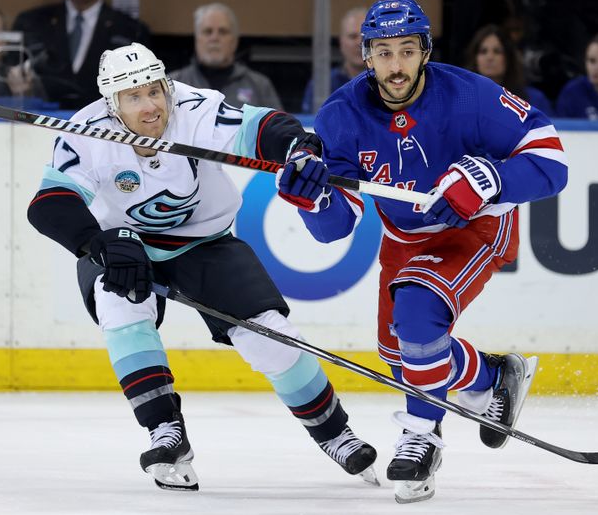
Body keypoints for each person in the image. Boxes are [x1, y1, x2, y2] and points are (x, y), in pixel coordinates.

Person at [26, 42, 377, 490]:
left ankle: (335, 433)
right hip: (123, 244)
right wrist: (97, 243)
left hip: (204, 241)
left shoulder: (194, 107)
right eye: (133, 97)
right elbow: (49, 204)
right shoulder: (85, 131)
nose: (151, 106)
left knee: (270, 336)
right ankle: (164, 431)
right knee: (120, 307)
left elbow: (261, 127)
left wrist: (297, 148)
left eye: (155, 91)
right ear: (112, 105)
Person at [276, 0, 568, 504]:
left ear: (425, 51)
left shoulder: (470, 96)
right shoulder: (341, 116)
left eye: (407, 51)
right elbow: (334, 228)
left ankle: (421, 438)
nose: (396, 66)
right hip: (405, 239)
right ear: (366, 56)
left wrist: (491, 178)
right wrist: (314, 198)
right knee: (399, 354)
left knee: (416, 313)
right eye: (383, 53)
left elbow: (551, 160)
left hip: (475, 229)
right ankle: (492, 376)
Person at [12, 0, 150, 109]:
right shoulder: (31, 23)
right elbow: (5, 70)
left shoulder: (132, 30)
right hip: (38, 122)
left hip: (104, 124)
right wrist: (15, 79)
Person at [170, 3, 282, 109]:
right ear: (197, 39)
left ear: (234, 40)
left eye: (223, 32)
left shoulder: (259, 86)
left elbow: (280, 128)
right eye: (208, 32)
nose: (214, 38)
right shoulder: (173, 83)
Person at [463, 24, 554, 116]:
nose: (490, 57)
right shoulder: (462, 99)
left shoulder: (535, 99)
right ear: (474, 58)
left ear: (509, 58)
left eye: (497, 51)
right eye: (483, 51)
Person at [300, 7, 368, 114]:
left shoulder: (389, 82)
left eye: (364, 36)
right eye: (352, 36)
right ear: (341, 42)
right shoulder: (322, 85)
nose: (359, 43)